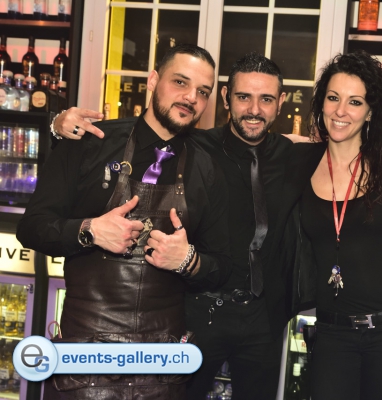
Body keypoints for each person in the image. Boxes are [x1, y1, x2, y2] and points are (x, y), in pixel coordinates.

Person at [52, 52, 300, 400]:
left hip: (263, 317)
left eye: (267, 99)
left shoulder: (296, 155)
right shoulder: (196, 147)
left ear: (281, 102)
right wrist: (58, 123)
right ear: (226, 98)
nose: (254, 109)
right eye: (244, 96)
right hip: (198, 311)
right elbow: (139, 133)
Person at [17, 44, 230, 399]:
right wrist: (89, 231)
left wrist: (188, 260)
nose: (191, 98)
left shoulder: (207, 168)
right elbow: (32, 227)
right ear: (153, 80)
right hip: (85, 364)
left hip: (162, 371)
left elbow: (223, 267)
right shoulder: (91, 143)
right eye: (180, 82)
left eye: (203, 92)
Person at [272, 50, 382, 399]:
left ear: (370, 111)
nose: (341, 111)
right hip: (332, 331)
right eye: (333, 98)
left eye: (355, 102)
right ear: (321, 103)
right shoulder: (300, 161)